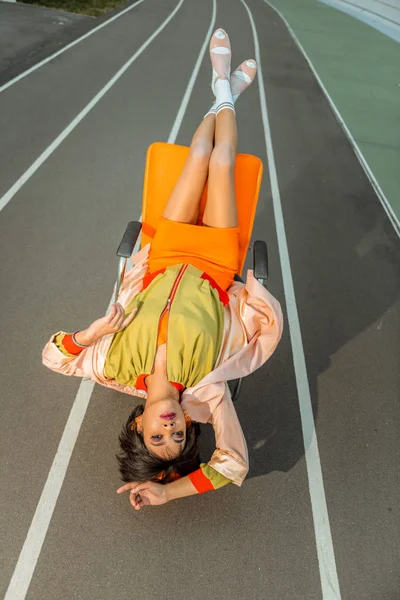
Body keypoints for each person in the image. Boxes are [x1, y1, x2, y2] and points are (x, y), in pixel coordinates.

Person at [42, 29, 283, 511]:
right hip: (215, 261)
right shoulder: (205, 388)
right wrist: (169, 490)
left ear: (138, 425)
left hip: (169, 254)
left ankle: (224, 87)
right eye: (179, 436)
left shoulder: (114, 367)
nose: (171, 428)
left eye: (157, 437)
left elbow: (53, 357)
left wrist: (91, 333)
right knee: (220, 160)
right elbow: (232, 463)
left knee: (195, 155)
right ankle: (225, 90)